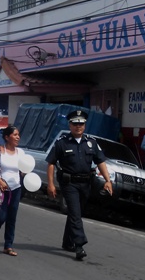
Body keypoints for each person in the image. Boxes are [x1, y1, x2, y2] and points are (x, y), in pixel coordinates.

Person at [46, 110, 113, 261]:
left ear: (85, 125)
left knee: (75, 213)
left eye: (81, 124)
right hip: (69, 183)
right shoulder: (62, 142)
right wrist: (50, 184)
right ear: (70, 125)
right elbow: (51, 163)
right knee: (75, 214)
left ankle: (67, 242)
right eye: (75, 124)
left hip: (85, 183)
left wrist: (108, 180)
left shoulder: (91, 143)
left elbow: (100, 162)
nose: (78, 126)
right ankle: (79, 245)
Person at [0, 124, 25, 256]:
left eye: (18, 135)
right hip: (0, 188)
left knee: (12, 218)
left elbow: (23, 169)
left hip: (15, 188)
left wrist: (25, 173)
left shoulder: (20, 152)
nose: (18, 137)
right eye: (15, 135)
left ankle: (8, 245)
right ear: (7, 137)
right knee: (1, 216)